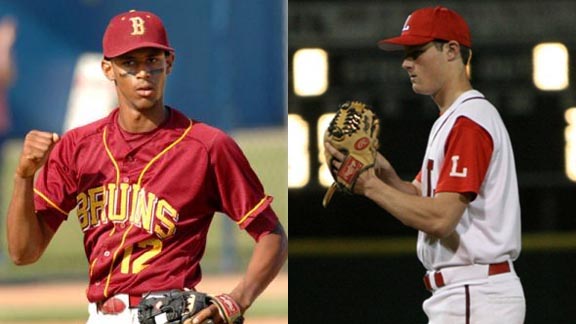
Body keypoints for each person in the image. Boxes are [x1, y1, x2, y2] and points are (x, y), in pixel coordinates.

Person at [6, 10, 287, 324]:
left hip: (170, 315)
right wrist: (24, 176)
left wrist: (236, 300)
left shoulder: (207, 146)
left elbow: (271, 234)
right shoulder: (76, 147)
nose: (143, 73)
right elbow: (23, 253)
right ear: (108, 69)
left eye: (152, 60)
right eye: (130, 63)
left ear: (169, 63)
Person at [325, 6, 525, 323]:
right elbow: (423, 196)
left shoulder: (469, 122)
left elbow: (441, 218)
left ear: (451, 50)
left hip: (476, 293)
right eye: (406, 53)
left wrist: (371, 186)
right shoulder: (453, 119)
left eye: (417, 52)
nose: (406, 62)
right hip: (466, 293)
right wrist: (383, 173)